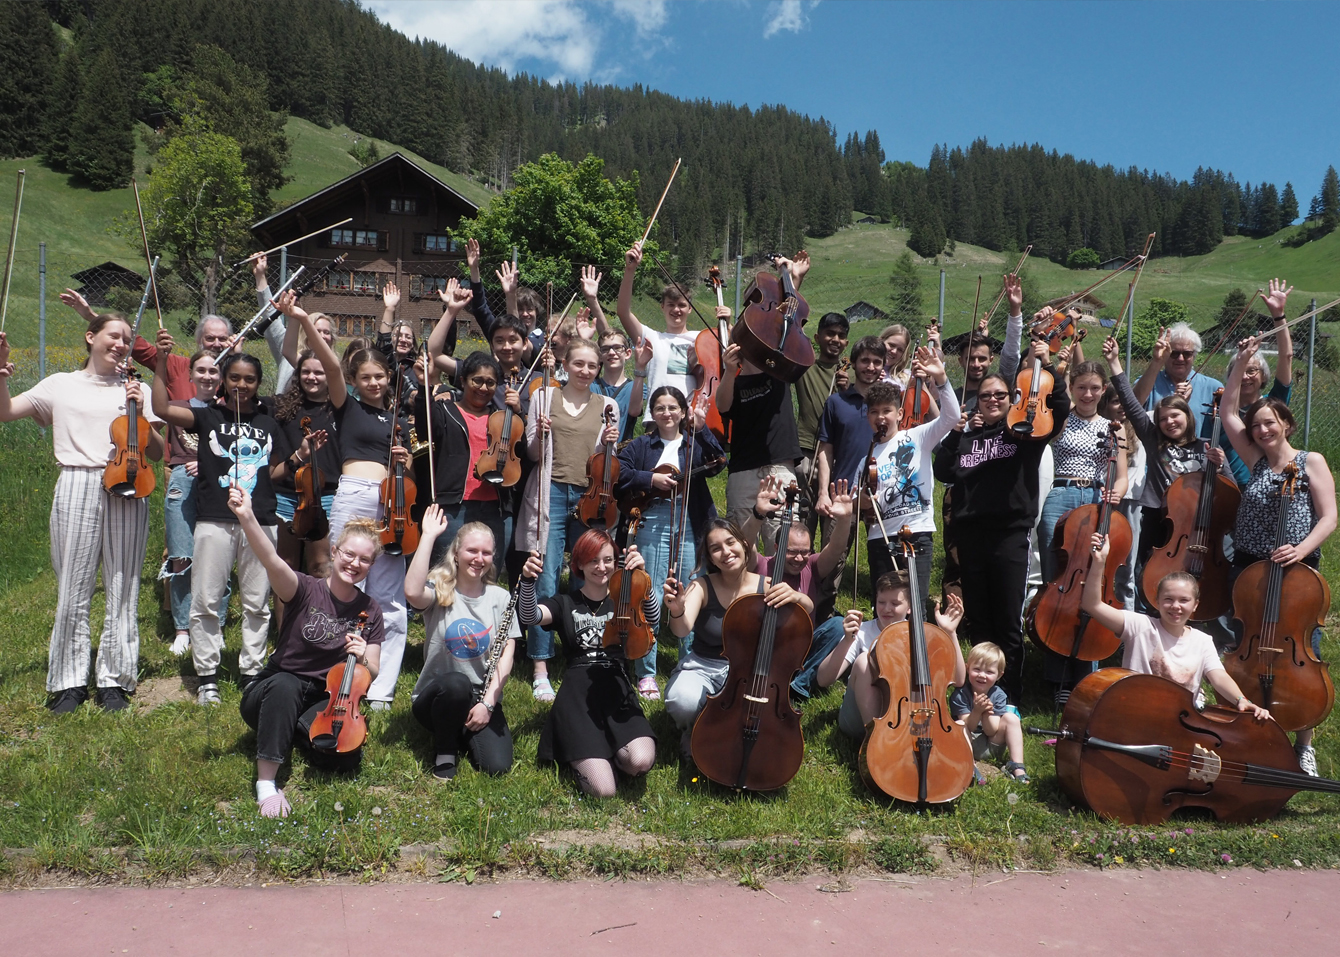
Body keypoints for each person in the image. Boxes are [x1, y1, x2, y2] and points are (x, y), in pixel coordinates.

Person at [0, 319, 164, 713]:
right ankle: (68, 681)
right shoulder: (60, 384)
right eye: (114, 336)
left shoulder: (136, 387)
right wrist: (1, 373)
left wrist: (143, 413)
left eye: (127, 339)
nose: (121, 344)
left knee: (123, 582)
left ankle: (114, 679)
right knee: (73, 585)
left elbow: (158, 452)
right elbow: (6, 412)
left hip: (129, 482)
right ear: (91, 337)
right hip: (77, 481)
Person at [276, 290, 412, 711]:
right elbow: (331, 366)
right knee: (345, 583)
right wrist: (301, 318)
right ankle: (333, 675)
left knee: (389, 595)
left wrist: (404, 461)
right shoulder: (346, 407)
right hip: (353, 495)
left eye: (380, 376)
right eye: (366, 377)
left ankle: (380, 688)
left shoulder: (398, 420)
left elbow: (407, 468)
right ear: (355, 381)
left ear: (389, 377)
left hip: (391, 503)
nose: (374, 383)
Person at [229, 486, 385, 818]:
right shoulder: (303, 588)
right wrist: (247, 517)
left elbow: (372, 670)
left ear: (371, 565)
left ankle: (292, 732)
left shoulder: (370, 609)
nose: (354, 563)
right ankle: (266, 783)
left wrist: (364, 659)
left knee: (344, 758)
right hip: (273, 688)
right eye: (349, 554)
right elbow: (270, 559)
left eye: (364, 559)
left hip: (324, 698)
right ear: (334, 551)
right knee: (286, 685)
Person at [1220, 334, 1336, 775]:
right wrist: (1242, 360)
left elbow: (1329, 517)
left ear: (1285, 423)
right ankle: (1248, 732)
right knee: (1244, 646)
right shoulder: (1254, 460)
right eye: (1257, 426)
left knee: (1303, 650)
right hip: (1249, 567)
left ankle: (1303, 743)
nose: (1262, 430)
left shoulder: (1311, 461)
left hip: (1296, 571)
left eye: (1270, 423)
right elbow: (1228, 411)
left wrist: (1300, 550)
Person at [933, 337, 1070, 704]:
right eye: (985, 396)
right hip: (971, 536)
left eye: (1000, 395)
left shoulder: (1025, 432)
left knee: (1007, 620)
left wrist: (1049, 366)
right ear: (977, 401)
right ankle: (979, 696)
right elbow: (943, 470)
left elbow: (1059, 407)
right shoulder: (968, 438)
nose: (992, 400)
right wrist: (957, 433)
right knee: (979, 619)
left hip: (1009, 536)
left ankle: (1009, 697)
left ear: (1012, 399)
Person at [151, 335, 286, 705]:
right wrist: (161, 361)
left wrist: (303, 455)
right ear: (224, 380)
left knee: (257, 601)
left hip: (260, 520)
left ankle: (252, 672)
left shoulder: (269, 423)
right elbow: (161, 408)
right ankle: (207, 675)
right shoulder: (208, 415)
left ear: (259, 383)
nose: (242, 384)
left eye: (250, 379)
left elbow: (275, 471)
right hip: (215, 519)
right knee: (207, 599)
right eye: (235, 378)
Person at [518, 531, 660, 796]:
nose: (601, 567)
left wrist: (644, 579)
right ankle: (585, 756)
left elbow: (653, 619)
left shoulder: (625, 600)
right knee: (603, 790)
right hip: (578, 692)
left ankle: (610, 752)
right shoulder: (565, 602)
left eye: (608, 560)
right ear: (579, 564)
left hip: (616, 686)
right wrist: (527, 581)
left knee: (640, 761)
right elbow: (529, 616)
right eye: (593, 560)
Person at [518, 338, 621, 702]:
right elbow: (533, 453)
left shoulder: (608, 405)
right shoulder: (544, 397)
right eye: (578, 364)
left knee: (589, 577)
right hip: (551, 493)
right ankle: (541, 666)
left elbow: (607, 463)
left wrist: (609, 442)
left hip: (590, 499)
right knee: (545, 576)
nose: (585, 371)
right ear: (565, 364)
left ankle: (585, 653)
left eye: (592, 366)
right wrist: (541, 433)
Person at [662, 520, 811, 761]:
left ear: (743, 544)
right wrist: (677, 610)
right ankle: (693, 730)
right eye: (716, 548)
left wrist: (797, 597)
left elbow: (808, 608)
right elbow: (681, 630)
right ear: (710, 557)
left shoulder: (766, 585)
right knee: (683, 701)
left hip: (750, 672)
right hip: (703, 666)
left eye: (730, 542)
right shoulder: (701, 586)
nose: (726, 552)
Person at [1081, 532, 1270, 720]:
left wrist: (1241, 699)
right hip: (1136, 715)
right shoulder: (1139, 626)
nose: (1176, 606)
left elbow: (1219, 677)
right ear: (1157, 601)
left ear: (1195, 605)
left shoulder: (1203, 641)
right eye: (1168, 599)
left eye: (1184, 600)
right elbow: (1092, 605)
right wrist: (1099, 562)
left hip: (1180, 722)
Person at [1104, 336, 1229, 614]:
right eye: (1163, 419)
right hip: (1160, 521)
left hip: (1199, 527)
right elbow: (1131, 404)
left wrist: (1220, 467)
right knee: (1151, 579)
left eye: (1175, 416)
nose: (1169, 422)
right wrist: (1114, 363)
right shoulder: (1154, 441)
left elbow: (1229, 491)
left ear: (1188, 415)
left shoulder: (1207, 447)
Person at [614, 386, 726, 695]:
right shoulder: (641, 445)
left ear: (682, 412)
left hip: (689, 519)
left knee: (689, 591)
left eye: (673, 407)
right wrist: (650, 478)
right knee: (647, 591)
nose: (667, 413)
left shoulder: (693, 442)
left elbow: (719, 462)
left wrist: (702, 429)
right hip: (652, 519)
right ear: (652, 413)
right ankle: (646, 671)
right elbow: (619, 472)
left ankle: (689, 663)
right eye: (660, 408)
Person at [1036, 359, 1128, 700]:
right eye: (1081, 388)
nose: (1088, 394)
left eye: (1094, 388)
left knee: (1093, 581)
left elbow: (1121, 475)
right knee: (1056, 583)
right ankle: (1056, 673)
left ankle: (1087, 671)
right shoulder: (1060, 420)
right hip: (1061, 494)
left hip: (1096, 500)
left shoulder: (1114, 428)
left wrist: (1117, 491)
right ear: (1072, 388)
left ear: (1103, 390)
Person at [406, 509, 519, 781]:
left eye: (486, 553)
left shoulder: (500, 597)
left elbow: (507, 655)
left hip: (479, 698)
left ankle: (461, 729)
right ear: (456, 553)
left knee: (496, 766)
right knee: (457, 684)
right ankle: (445, 750)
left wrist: (488, 705)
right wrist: (428, 536)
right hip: (438, 698)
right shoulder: (440, 588)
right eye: (472, 551)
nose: (479, 559)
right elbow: (412, 592)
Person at [860, 349, 959, 603]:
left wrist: (941, 379)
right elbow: (857, 501)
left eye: (887, 410)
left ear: (900, 414)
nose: (880, 417)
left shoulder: (917, 436)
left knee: (916, 604)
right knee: (884, 606)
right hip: (880, 537)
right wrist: (861, 501)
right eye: (874, 412)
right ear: (868, 417)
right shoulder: (866, 457)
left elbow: (952, 417)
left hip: (917, 532)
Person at [817, 571, 965, 741]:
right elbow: (823, 679)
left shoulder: (921, 636)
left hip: (906, 718)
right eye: (881, 602)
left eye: (895, 603)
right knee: (865, 660)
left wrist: (950, 633)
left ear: (910, 607)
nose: (886, 609)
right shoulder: (862, 631)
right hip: (859, 719)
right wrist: (847, 640)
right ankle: (877, 740)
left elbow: (958, 680)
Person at [745, 477, 857, 699]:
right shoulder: (760, 565)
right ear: (776, 547)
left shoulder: (812, 566)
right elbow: (745, 545)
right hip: (763, 648)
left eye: (805, 552)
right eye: (792, 551)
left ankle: (799, 684)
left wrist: (845, 519)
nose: (799, 558)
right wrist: (758, 514)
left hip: (801, 648)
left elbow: (835, 549)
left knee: (837, 625)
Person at [413, 351, 509, 571]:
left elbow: (518, 451)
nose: (483, 388)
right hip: (453, 506)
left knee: (488, 573)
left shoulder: (502, 418)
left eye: (490, 383)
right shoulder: (445, 410)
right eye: (477, 380)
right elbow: (423, 430)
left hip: (495, 508)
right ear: (463, 381)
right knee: (446, 571)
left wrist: (518, 413)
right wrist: (424, 385)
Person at [60, 287, 235, 399]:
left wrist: (236, 357)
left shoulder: (237, 372)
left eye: (222, 339)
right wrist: (91, 316)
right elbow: (139, 347)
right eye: (210, 338)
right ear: (199, 340)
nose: (216, 344)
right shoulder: (178, 366)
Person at [160, 349, 221, 656]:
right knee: (181, 556)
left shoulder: (227, 411)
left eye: (214, 371)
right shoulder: (178, 408)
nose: (207, 376)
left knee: (217, 558)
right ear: (191, 375)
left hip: (216, 483)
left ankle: (214, 626)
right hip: (183, 480)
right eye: (202, 370)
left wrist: (208, 463)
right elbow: (157, 411)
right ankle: (182, 628)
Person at [270, 350, 340, 584]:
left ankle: (322, 609)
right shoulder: (281, 407)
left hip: (324, 496)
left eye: (319, 372)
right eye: (306, 371)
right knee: (285, 566)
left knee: (321, 566)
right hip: (286, 494)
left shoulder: (339, 408)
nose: (312, 377)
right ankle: (285, 611)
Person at [616, 242, 704, 422]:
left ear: (690, 309)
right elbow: (623, 312)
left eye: (682, 305)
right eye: (671, 304)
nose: (676, 310)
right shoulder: (652, 338)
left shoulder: (701, 338)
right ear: (662, 306)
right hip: (657, 417)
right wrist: (630, 270)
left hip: (690, 418)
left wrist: (726, 322)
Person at [813, 335, 886, 519]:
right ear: (853, 363)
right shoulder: (835, 402)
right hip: (843, 494)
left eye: (877, 362)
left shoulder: (890, 405)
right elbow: (826, 450)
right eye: (865, 361)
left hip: (881, 495)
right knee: (836, 539)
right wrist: (823, 493)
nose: (871, 367)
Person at [794, 312, 850, 520]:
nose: (835, 339)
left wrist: (847, 390)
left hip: (839, 454)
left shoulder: (851, 373)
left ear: (846, 343)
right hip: (807, 448)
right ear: (817, 338)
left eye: (841, 336)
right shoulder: (805, 367)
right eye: (830, 334)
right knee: (803, 517)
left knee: (834, 519)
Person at [950, 642, 1029, 783]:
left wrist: (986, 713)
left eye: (989, 672)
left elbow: (991, 731)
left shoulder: (998, 695)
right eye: (977, 669)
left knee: (1011, 718)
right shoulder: (960, 695)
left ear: (999, 675)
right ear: (967, 668)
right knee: (960, 724)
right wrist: (977, 711)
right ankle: (970, 766)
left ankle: (1017, 766)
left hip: (992, 745)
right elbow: (969, 727)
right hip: (969, 744)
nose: (982, 675)